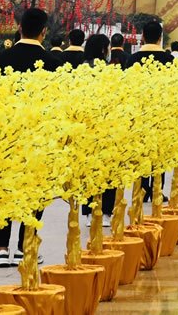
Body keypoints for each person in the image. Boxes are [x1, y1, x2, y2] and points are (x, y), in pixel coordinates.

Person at [0, 8, 61, 266]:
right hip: (38, 136)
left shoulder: (0, 59)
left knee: (2, 188)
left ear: (19, 28)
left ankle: (1, 248)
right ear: (44, 31)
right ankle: (25, 245)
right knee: (35, 190)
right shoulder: (53, 64)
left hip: (5, 134)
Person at [79, 33, 115, 226]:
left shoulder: (80, 69)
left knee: (87, 170)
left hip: (85, 128)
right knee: (108, 170)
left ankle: (88, 212)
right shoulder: (109, 71)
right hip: (106, 126)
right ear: (103, 49)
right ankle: (105, 212)